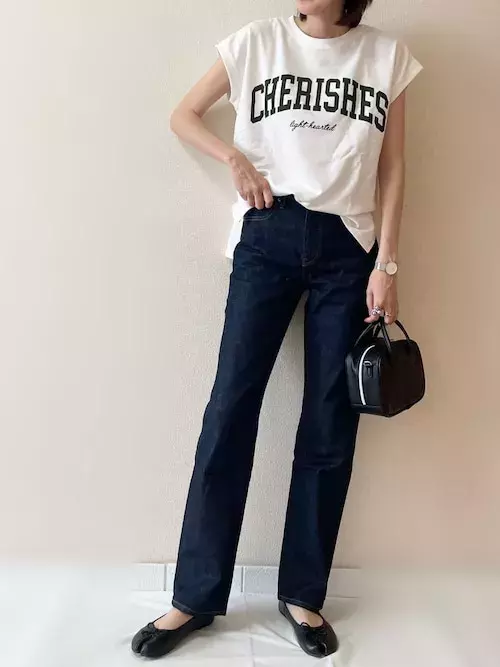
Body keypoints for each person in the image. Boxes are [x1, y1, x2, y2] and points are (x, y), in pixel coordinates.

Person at [132, 0, 422, 659]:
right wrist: (234, 159)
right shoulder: (257, 42)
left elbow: (393, 166)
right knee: (229, 409)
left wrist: (388, 264)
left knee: (329, 421)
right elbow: (184, 114)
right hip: (266, 236)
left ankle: (302, 594)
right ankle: (194, 596)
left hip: (349, 248)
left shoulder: (386, 56)